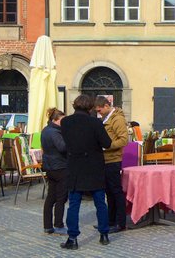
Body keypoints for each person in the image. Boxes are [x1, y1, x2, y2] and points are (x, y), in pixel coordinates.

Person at [61, 94, 112, 250]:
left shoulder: (65, 122)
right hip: (94, 166)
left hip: (75, 166)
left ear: (75, 105)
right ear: (90, 107)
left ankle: (72, 237)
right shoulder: (95, 122)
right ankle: (104, 235)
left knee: (74, 204)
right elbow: (107, 143)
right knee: (100, 203)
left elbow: (66, 143)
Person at [95, 96, 128, 234]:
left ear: (107, 106)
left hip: (113, 159)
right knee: (109, 192)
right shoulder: (106, 118)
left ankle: (121, 223)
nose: (99, 113)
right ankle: (110, 220)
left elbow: (123, 140)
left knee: (116, 191)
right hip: (105, 159)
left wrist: (107, 146)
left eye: (100, 110)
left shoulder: (117, 119)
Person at [41, 107, 68, 235]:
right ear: (55, 120)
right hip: (60, 166)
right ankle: (58, 224)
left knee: (51, 196)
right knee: (61, 197)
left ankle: (47, 225)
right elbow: (62, 147)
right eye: (63, 120)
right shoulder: (55, 132)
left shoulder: (46, 130)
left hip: (50, 166)